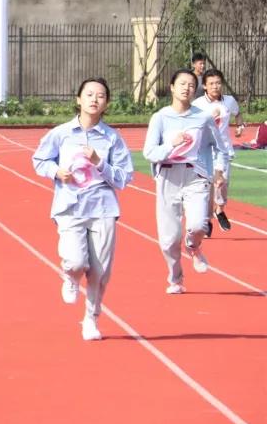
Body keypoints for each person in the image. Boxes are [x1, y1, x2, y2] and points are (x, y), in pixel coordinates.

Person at [31, 78, 133, 340]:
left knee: (100, 272)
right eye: (89, 94)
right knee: (76, 261)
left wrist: (100, 163)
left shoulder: (112, 138)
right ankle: (71, 276)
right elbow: (40, 159)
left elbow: (124, 177)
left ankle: (91, 319)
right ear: (78, 99)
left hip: (103, 208)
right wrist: (56, 171)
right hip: (70, 206)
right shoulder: (61, 133)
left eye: (100, 95)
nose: (94, 99)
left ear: (106, 103)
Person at [143, 69, 227, 294]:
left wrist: (219, 171)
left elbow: (220, 147)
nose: (187, 88)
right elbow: (149, 152)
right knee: (169, 240)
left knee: (198, 225)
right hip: (168, 178)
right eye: (182, 84)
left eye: (191, 85)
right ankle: (175, 278)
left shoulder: (203, 118)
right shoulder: (160, 117)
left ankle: (193, 246)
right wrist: (171, 145)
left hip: (195, 176)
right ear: (172, 87)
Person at [192, 69, 244, 233]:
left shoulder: (229, 101)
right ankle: (207, 219)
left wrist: (240, 126)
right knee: (207, 186)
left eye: (218, 83)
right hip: (204, 151)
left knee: (222, 182)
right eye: (211, 83)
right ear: (205, 86)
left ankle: (219, 209)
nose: (215, 86)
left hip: (223, 150)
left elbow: (238, 114)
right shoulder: (198, 104)